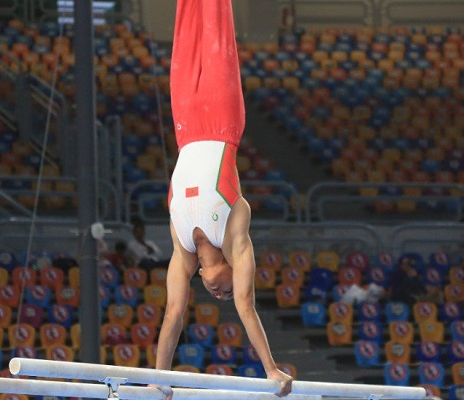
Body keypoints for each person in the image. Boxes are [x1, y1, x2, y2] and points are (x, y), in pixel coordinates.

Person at [152, 1, 293, 399]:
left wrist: (159, 378)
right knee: (214, 20)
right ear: (233, 269)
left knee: (186, 20)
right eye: (228, 290)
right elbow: (247, 308)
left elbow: (173, 315)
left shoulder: (182, 249)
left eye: (220, 295)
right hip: (220, 119)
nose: (222, 294)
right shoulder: (237, 227)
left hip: (185, 126)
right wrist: (270, 369)